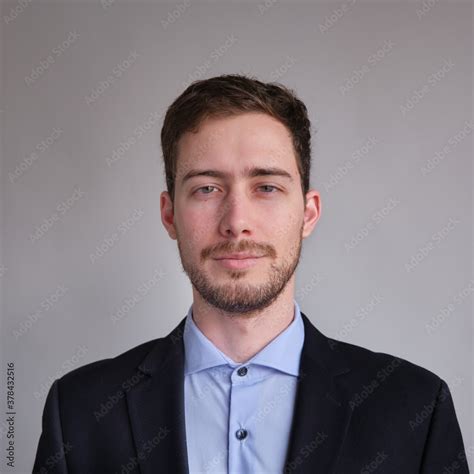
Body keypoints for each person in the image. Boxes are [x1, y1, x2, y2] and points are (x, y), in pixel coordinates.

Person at [33, 74, 469, 474]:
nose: (236, 221)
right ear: (169, 215)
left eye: (266, 187)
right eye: (207, 188)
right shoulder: (78, 412)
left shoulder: (414, 409)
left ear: (308, 212)